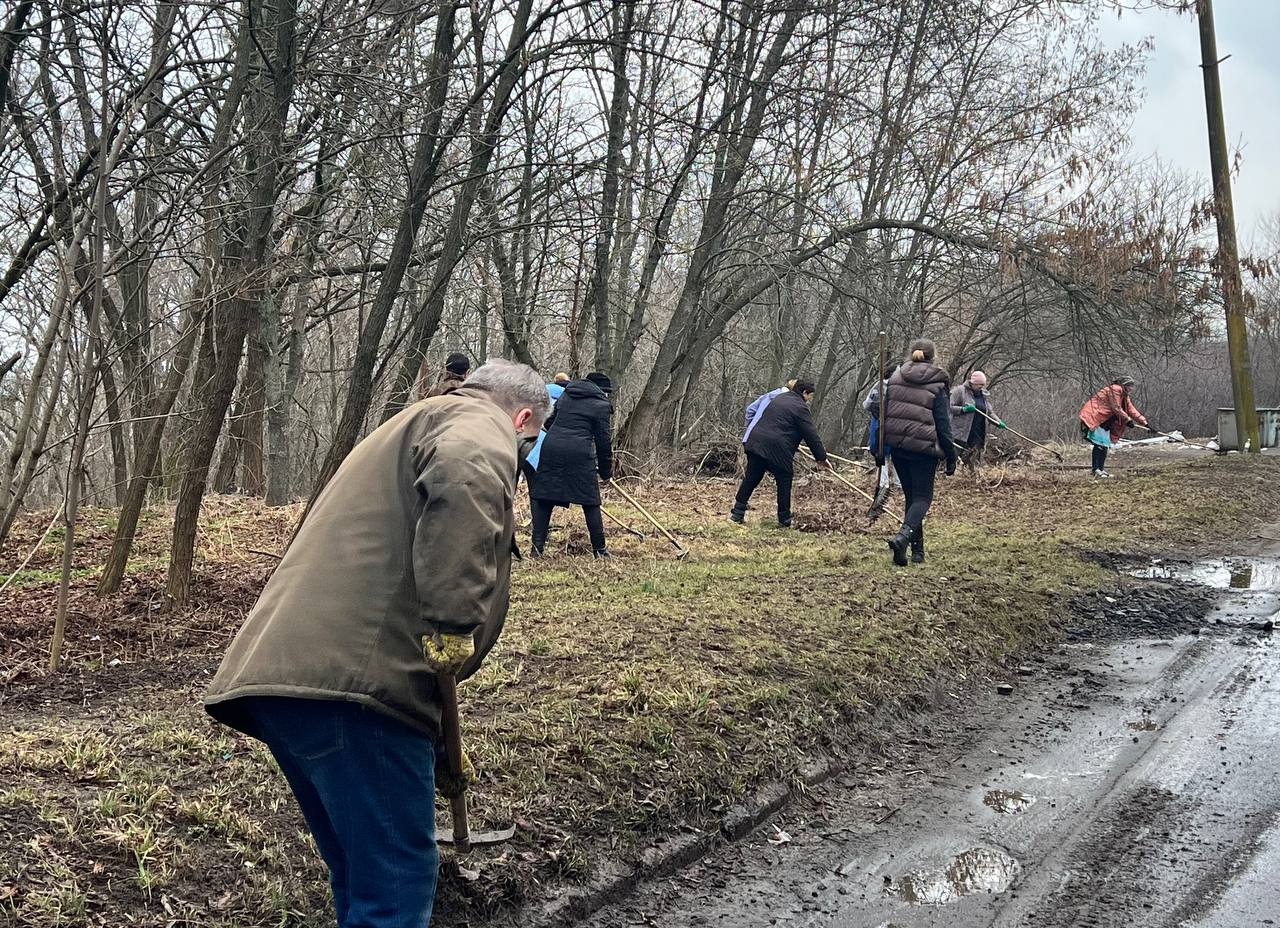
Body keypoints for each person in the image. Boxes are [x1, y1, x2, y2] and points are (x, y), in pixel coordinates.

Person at [203, 359, 549, 928]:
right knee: (395, 886)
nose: (526, 451)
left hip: (296, 677)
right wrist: (455, 623)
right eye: (530, 441)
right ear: (523, 415)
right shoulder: (479, 423)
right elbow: (464, 477)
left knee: (362, 877)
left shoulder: (412, 422)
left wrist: (437, 740)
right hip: (357, 690)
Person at [881, 339, 957, 566]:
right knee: (922, 498)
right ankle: (903, 537)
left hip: (898, 446)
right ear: (933, 356)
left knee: (912, 498)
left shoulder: (895, 378)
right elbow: (943, 423)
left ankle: (916, 552)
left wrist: (881, 445)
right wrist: (951, 455)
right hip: (924, 449)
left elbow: (882, 411)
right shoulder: (937, 383)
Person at [527, 371, 614, 557]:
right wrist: (606, 471)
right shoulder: (601, 405)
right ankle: (600, 550)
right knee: (590, 501)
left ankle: (536, 549)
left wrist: (560, 436)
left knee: (544, 498)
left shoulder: (567, 395)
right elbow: (603, 441)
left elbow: (550, 421)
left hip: (551, 448)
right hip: (579, 453)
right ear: (601, 390)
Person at [730, 379, 830, 528]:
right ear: (804, 393)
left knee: (752, 476)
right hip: (776, 447)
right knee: (785, 478)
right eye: (810, 395)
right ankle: (784, 519)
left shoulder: (779, 398)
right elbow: (810, 434)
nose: (809, 399)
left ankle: (737, 512)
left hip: (756, 440)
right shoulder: (800, 407)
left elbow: (777, 422)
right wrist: (821, 458)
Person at [1079, 375, 1150, 478]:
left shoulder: (1124, 395)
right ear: (1124, 385)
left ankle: (1101, 469)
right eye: (1130, 385)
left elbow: (1131, 410)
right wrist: (1128, 420)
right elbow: (1116, 407)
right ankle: (1096, 469)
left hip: (1105, 421)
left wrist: (1145, 423)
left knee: (1105, 444)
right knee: (1099, 444)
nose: (1132, 388)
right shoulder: (1115, 390)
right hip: (1096, 417)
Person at [950, 370, 1005, 469]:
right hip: (960, 433)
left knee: (974, 460)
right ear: (973, 383)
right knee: (954, 459)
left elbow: (990, 412)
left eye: (983, 385)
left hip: (977, 433)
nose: (981, 387)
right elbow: (948, 407)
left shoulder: (983, 396)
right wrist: (963, 409)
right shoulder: (959, 391)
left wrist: (998, 422)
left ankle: (970, 478)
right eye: (980, 385)